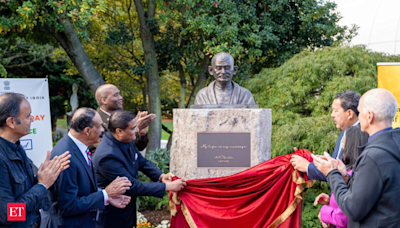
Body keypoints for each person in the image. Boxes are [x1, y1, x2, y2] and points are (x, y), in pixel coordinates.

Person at [313, 88, 400, 227]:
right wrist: (347, 179)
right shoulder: (392, 146)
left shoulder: (373, 156)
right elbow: (379, 196)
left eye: (360, 112)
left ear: (369, 116)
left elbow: (353, 210)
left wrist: (332, 173)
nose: (358, 117)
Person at [93, 110, 186, 228]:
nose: (137, 130)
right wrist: (168, 187)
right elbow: (132, 185)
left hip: (126, 211)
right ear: (119, 131)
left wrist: (161, 176)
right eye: (133, 128)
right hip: (111, 217)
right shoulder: (107, 156)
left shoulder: (123, 139)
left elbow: (141, 162)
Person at [49, 108, 132, 228]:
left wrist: (107, 198)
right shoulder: (66, 157)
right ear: (87, 131)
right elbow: (68, 206)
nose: (103, 130)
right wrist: (105, 194)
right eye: (99, 126)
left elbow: (80, 189)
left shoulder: (77, 147)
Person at [0, 93, 70, 228]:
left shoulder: (17, 148)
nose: (32, 119)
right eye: (27, 116)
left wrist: (41, 177)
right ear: (11, 122)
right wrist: (42, 186)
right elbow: (9, 215)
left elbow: (23, 192)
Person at [290, 90, 360, 180]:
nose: (332, 115)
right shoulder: (344, 131)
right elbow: (336, 164)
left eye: (335, 111)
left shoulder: (362, 134)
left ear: (349, 113)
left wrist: (307, 166)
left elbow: (341, 172)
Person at [314, 124, 368, 228]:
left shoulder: (354, 174)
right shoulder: (352, 172)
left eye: (344, 141)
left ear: (351, 144)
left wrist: (324, 212)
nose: (342, 146)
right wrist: (331, 202)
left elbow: (343, 217)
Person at [94, 84, 155, 151]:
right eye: (116, 95)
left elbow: (138, 147)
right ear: (104, 100)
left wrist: (141, 133)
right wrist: (135, 128)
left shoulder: (123, 117)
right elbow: (106, 148)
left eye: (119, 94)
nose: (120, 97)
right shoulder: (95, 121)